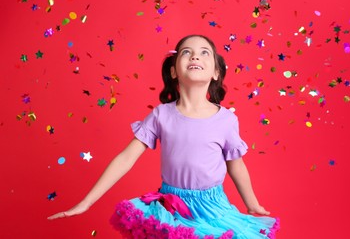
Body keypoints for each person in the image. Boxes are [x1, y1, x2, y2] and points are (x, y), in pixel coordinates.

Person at [48, 34, 280, 238]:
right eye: (186, 52)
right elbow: (126, 159)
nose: (195, 57)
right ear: (173, 70)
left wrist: (252, 204)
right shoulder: (161, 115)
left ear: (216, 72)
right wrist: (87, 202)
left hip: (213, 208)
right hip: (171, 208)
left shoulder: (226, 120)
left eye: (204, 53)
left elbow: (236, 165)